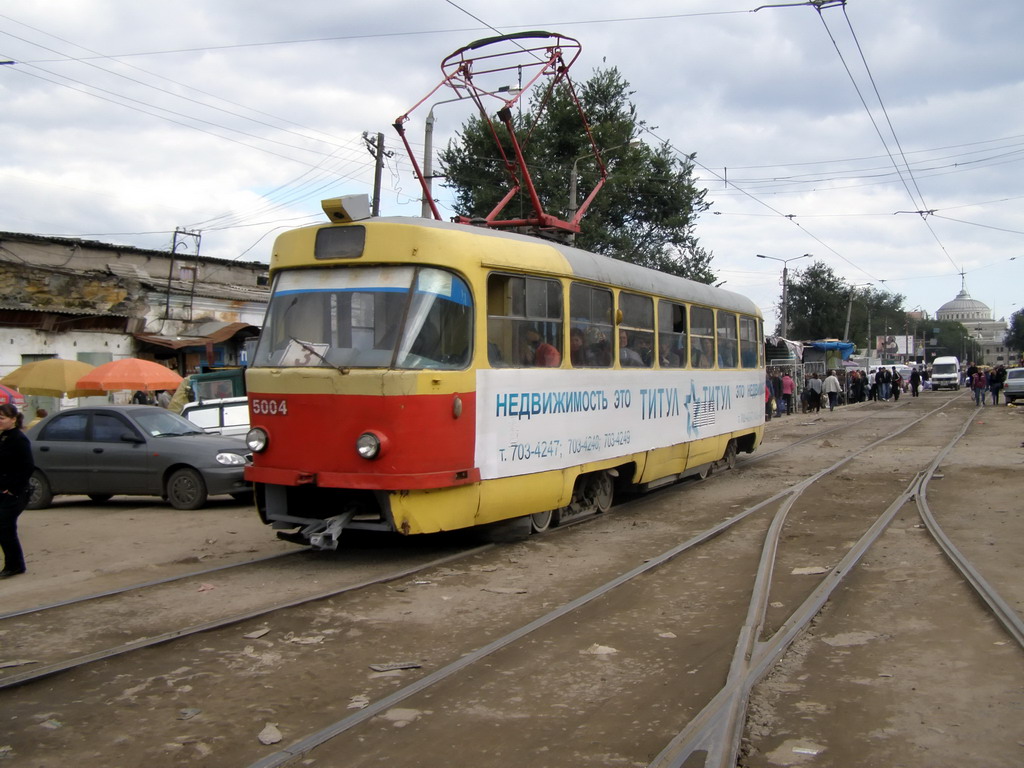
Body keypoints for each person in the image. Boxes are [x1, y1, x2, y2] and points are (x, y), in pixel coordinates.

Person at [0, 404, 34, 578]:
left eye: (2, 418)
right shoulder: (4, 437)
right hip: (3, 490)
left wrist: (12, 488)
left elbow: (27, 467)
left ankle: (14, 565)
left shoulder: (19, 439)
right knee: (3, 528)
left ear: (13, 419)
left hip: (15, 492)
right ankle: (14, 564)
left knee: (5, 527)